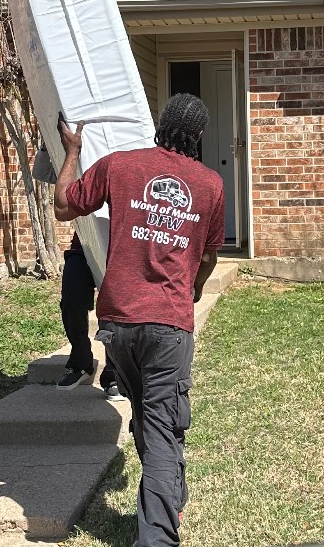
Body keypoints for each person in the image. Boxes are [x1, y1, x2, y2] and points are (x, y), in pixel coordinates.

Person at [53, 93, 223, 547]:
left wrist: (71, 152)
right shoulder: (209, 185)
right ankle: (158, 539)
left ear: (161, 125)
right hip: (169, 325)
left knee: (150, 415)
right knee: (163, 425)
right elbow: (207, 255)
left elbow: (63, 205)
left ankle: (172, 494)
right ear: (199, 137)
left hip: (120, 323)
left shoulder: (119, 165)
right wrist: (195, 287)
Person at [30, 144, 123, 399]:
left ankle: (114, 375)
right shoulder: (78, 151)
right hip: (85, 240)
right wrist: (49, 145)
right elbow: (43, 174)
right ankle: (81, 360)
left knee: (112, 311)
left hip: (120, 242)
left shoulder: (127, 145)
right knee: (72, 300)